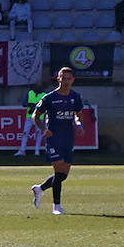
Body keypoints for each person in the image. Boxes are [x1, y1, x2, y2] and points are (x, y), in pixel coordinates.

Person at [29, 66, 84, 215]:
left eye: (68, 79)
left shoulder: (75, 97)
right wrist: (43, 129)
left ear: (72, 80)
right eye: (63, 78)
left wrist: (79, 124)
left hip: (68, 137)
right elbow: (35, 115)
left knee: (63, 175)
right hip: (54, 137)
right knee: (58, 170)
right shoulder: (50, 98)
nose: (66, 81)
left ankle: (39, 189)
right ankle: (56, 206)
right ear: (58, 79)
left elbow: (78, 114)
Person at [14, 75, 46, 157]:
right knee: (25, 133)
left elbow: (45, 106)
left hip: (39, 117)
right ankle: (22, 150)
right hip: (29, 116)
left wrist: (35, 106)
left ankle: (37, 151)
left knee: (38, 134)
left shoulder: (44, 95)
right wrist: (29, 105)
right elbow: (24, 104)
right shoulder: (30, 93)